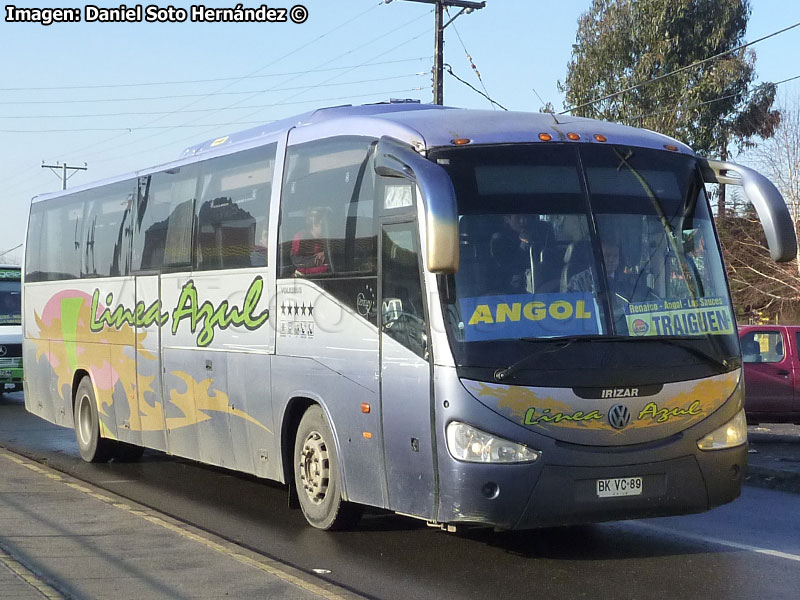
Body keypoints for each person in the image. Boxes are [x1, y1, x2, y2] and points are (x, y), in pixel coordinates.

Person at [291, 208, 329, 275]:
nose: (322, 222)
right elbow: (298, 262)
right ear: (311, 223)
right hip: (306, 279)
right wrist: (318, 260)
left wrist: (325, 254)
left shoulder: (330, 237)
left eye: (325, 220)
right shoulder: (301, 237)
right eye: (318, 219)